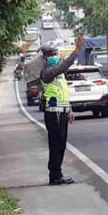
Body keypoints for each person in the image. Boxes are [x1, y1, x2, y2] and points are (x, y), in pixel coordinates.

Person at [40, 35, 84, 185]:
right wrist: (76, 51)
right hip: (53, 113)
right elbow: (63, 66)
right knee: (56, 145)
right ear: (44, 57)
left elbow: (63, 92)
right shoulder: (47, 72)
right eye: (50, 54)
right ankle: (55, 176)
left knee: (61, 145)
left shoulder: (59, 75)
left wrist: (69, 109)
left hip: (62, 112)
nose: (53, 56)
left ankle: (57, 174)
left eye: (54, 53)